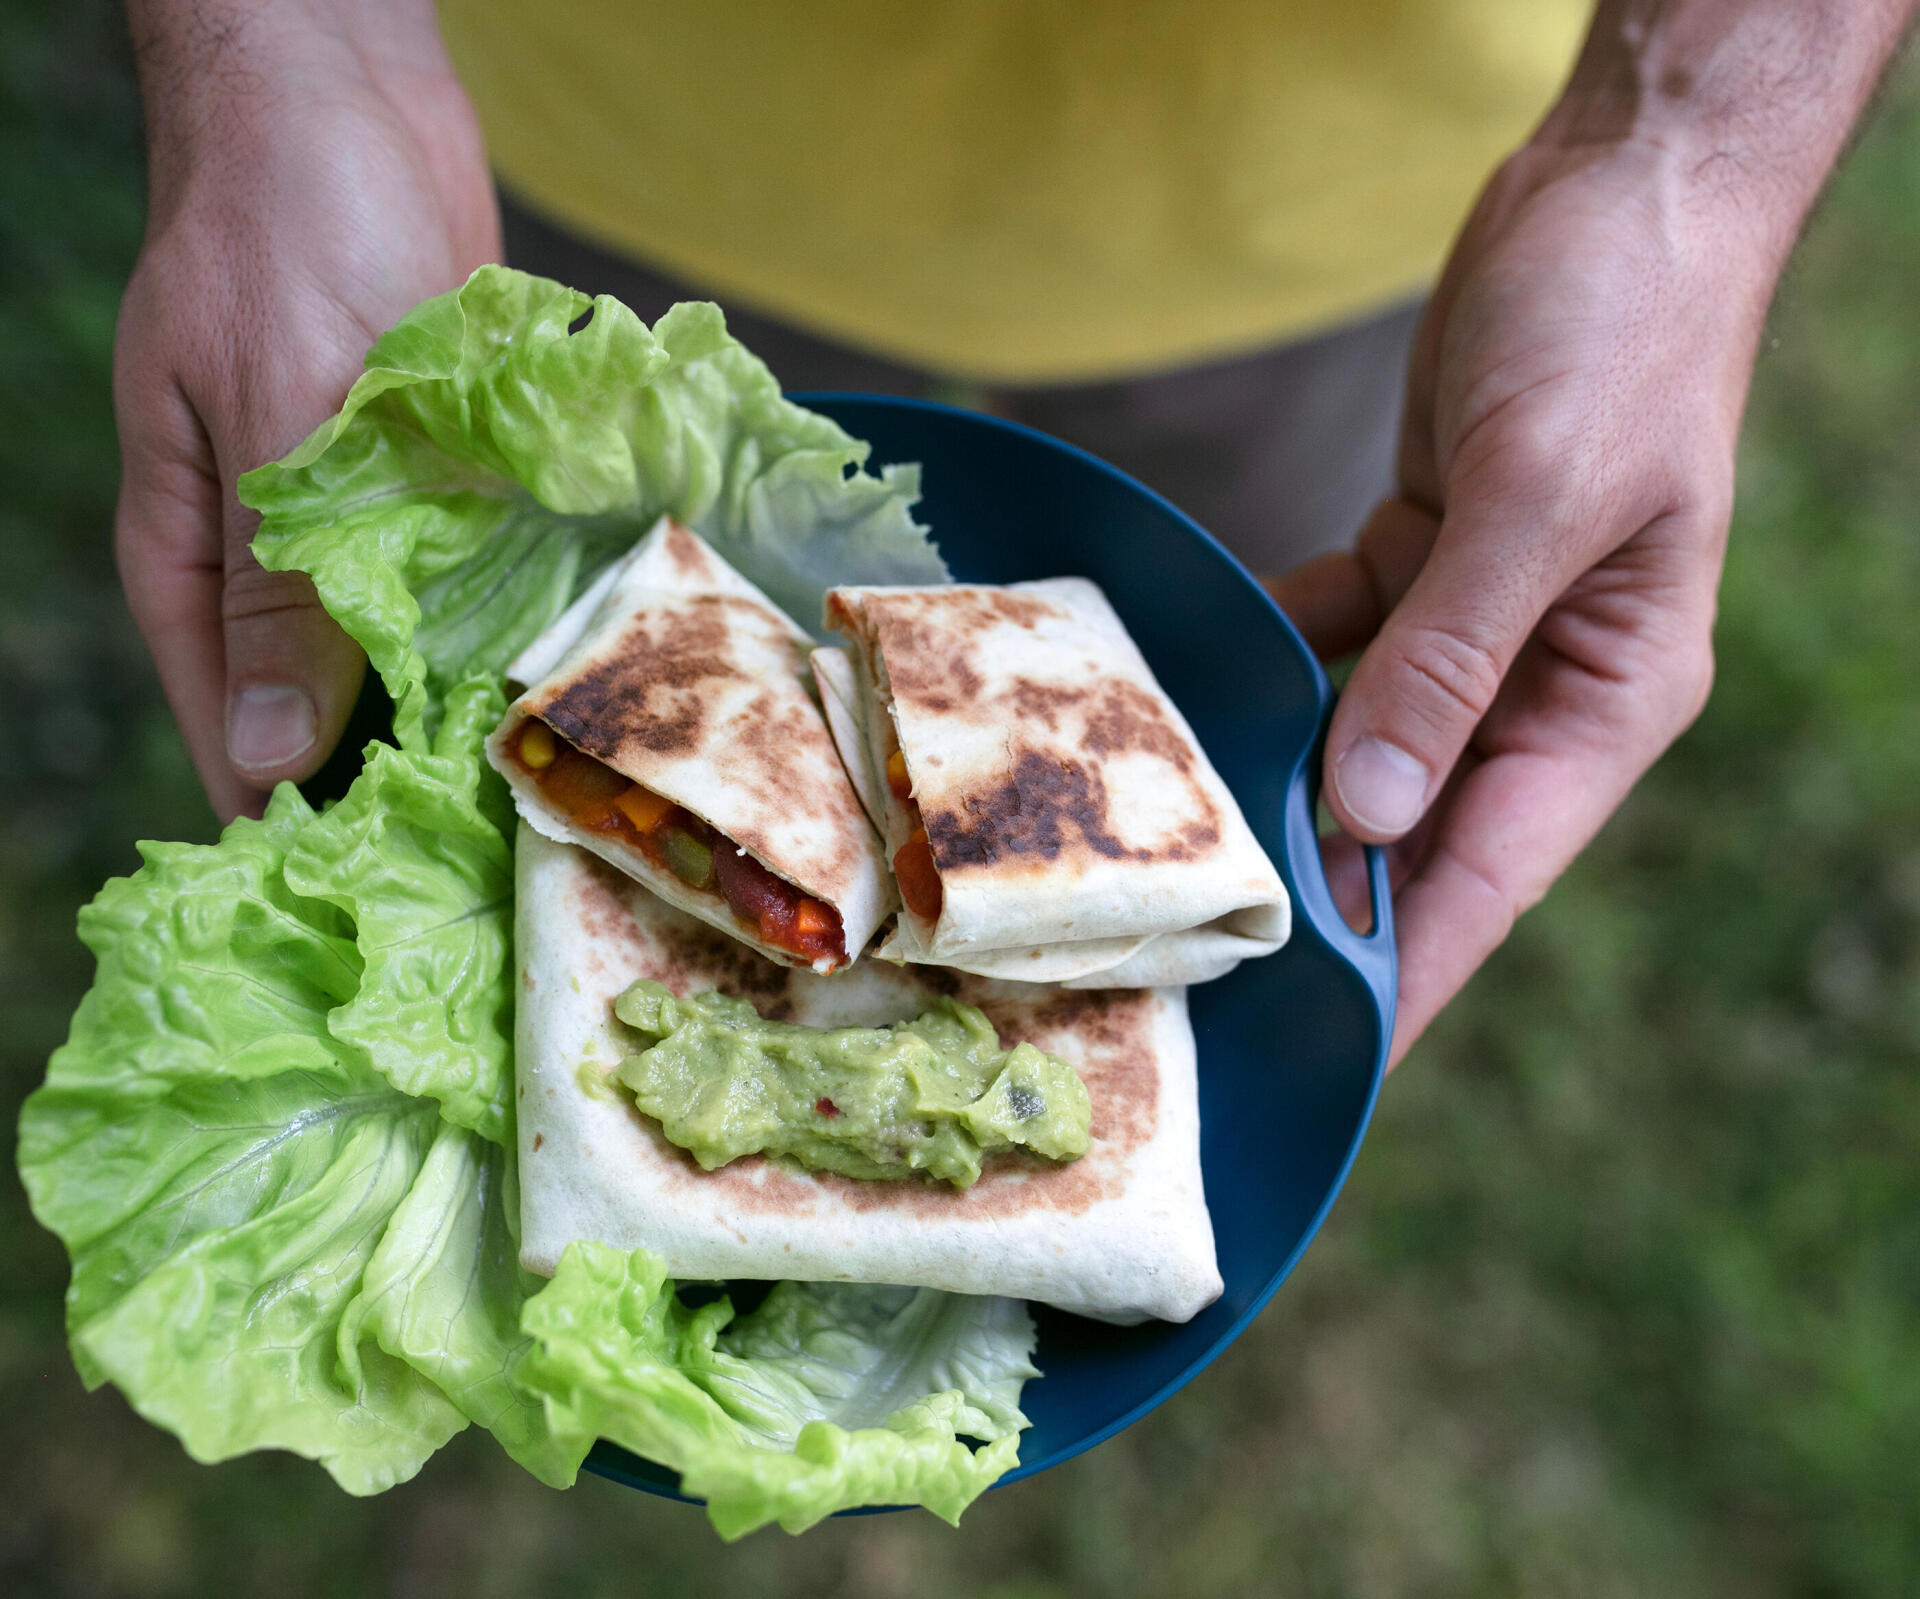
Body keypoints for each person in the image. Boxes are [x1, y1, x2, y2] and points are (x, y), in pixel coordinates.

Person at [111, 0, 1915, 1064]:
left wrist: (1681, 142)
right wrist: (289, 49)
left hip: (1372, 202)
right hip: (598, 116)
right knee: (569, 678)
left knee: (1232, 709)